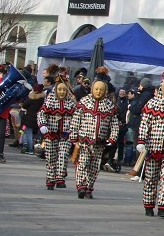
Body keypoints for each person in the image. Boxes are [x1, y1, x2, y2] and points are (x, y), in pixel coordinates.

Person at [136, 64, 164, 217]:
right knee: (150, 178)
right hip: (153, 147)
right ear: (162, 88)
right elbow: (144, 124)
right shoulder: (152, 104)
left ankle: (163, 207)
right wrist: (141, 141)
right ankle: (148, 205)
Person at [68, 67, 119, 199]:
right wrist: (74, 137)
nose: (98, 92)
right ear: (92, 89)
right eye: (96, 89)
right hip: (84, 140)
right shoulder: (84, 102)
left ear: (105, 91)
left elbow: (114, 124)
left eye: (101, 90)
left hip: (99, 142)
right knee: (82, 163)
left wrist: (112, 138)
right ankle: (81, 186)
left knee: (94, 167)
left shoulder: (109, 106)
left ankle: (89, 187)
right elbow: (76, 120)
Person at [37, 74, 77, 190]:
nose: (62, 92)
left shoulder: (71, 103)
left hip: (65, 133)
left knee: (63, 155)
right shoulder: (50, 101)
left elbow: (77, 117)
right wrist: (42, 124)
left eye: (64, 89)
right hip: (51, 133)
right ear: (55, 90)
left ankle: (60, 178)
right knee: (50, 157)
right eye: (60, 89)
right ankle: (50, 180)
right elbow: (41, 114)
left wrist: (73, 130)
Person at [20, 84, 44, 154]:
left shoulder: (32, 98)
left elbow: (24, 105)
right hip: (36, 118)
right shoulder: (42, 99)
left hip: (28, 118)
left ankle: (29, 148)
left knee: (27, 132)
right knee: (32, 134)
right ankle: (28, 147)